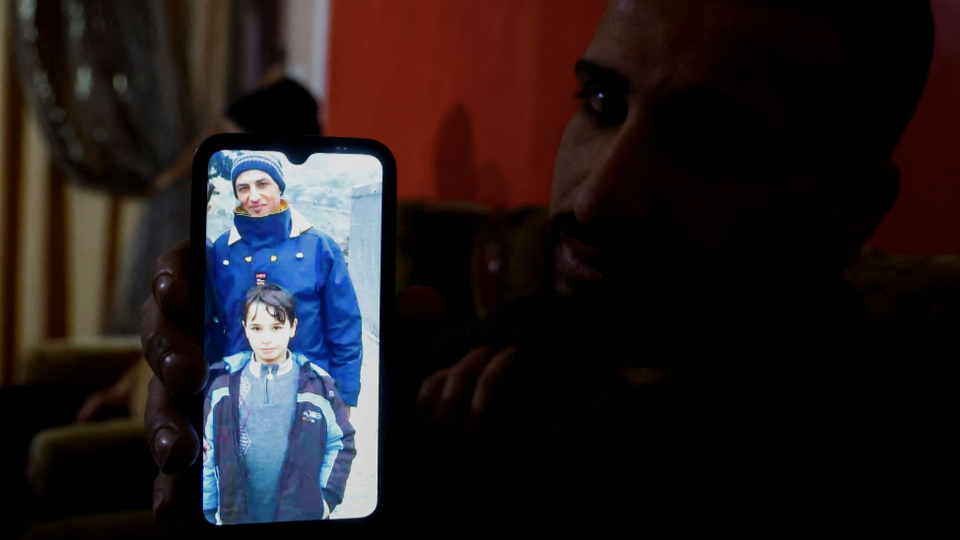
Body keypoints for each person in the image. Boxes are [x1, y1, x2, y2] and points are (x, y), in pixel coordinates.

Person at [140, 0, 942, 532]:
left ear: (847, 211)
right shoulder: (524, 339)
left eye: (710, 142)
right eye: (601, 105)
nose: (596, 200)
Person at [208, 152, 364, 409]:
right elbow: (211, 325)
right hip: (238, 393)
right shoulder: (222, 250)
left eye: (262, 184)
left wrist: (344, 395)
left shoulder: (319, 247)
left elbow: (344, 325)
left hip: (309, 391)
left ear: (279, 186)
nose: (253, 196)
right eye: (243, 188)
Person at [202, 284, 355, 524]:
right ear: (245, 329)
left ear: (292, 327)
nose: (266, 338)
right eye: (256, 328)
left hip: (301, 515)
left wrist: (326, 497)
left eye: (276, 327)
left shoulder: (318, 386)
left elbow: (341, 441)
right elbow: (208, 453)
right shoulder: (222, 388)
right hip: (238, 517)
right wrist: (208, 510)